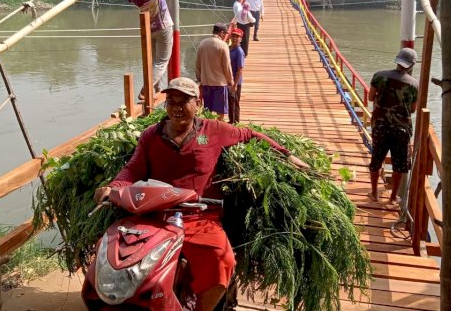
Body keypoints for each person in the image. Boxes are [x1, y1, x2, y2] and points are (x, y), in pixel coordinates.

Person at [93, 77, 310, 311]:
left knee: (222, 259)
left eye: (184, 101)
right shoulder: (151, 136)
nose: (176, 108)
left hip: (199, 216)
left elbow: (249, 134)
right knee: (116, 254)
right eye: (171, 101)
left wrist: (286, 154)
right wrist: (114, 188)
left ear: (198, 103)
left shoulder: (213, 131)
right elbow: (133, 168)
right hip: (154, 215)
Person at [368, 48, 419, 204]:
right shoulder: (414, 84)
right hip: (402, 130)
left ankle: (375, 193)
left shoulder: (379, 76)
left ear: (397, 60)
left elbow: (370, 97)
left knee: (376, 159)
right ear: (412, 65)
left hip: (380, 126)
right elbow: (412, 108)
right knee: (399, 164)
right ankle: (392, 198)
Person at [123, 0, 178, 99]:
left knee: (153, 63)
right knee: (162, 61)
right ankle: (146, 89)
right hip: (163, 25)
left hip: (148, 28)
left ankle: (156, 90)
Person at [195, 23, 235, 120]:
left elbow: (197, 65)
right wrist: (231, 81)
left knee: (207, 111)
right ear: (221, 33)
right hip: (219, 84)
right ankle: (218, 129)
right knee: (220, 111)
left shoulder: (202, 43)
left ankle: (207, 130)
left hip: (206, 83)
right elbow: (227, 66)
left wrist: (199, 79)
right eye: (225, 33)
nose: (225, 36)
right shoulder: (223, 45)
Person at [228, 28, 245, 124]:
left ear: (241, 39)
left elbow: (240, 70)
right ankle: (231, 120)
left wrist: (234, 85)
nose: (235, 38)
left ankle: (235, 122)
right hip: (230, 80)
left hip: (235, 82)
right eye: (233, 36)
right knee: (230, 102)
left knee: (235, 103)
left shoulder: (239, 52)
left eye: (237, 37)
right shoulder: (230, 48)